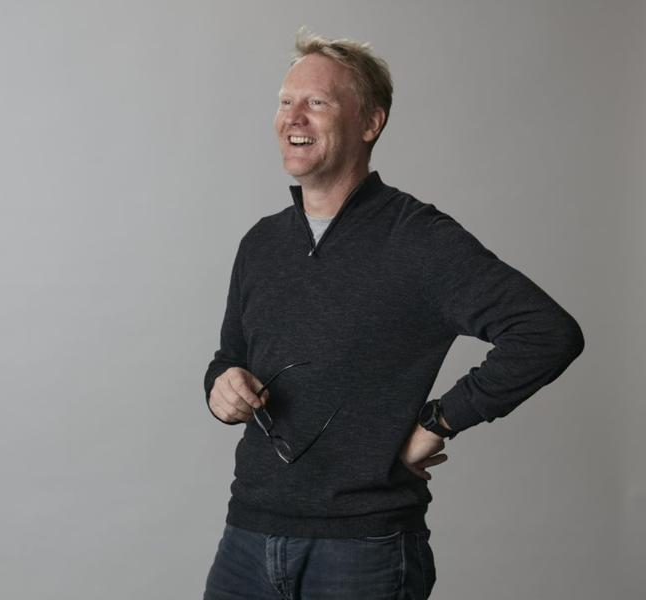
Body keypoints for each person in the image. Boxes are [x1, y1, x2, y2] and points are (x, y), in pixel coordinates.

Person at [201, 28, 585, 600]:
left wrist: (440, 421)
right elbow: (228, 359)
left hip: (363, 551)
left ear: (370, 123)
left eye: (317, 102)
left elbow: (547, 333)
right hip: (248, 538)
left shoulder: (419, 239)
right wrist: (220, 388)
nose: (293, 117)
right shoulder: (261, 243)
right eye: (285, 101)